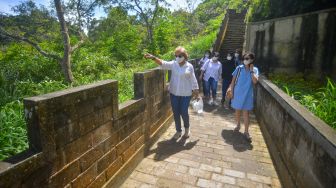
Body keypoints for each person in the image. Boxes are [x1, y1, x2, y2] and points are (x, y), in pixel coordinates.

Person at [144, 46, 200, 139]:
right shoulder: (173, 64)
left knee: (184, 111)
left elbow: (193, 80)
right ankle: (178, 131)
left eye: (180, 55)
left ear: (185, 55)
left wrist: (196, 92)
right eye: (176, 55)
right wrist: (153, 57)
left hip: (186, 94)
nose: (177, 57)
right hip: (174, 93)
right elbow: (163, 63)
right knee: (176, 112)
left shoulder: (189, 66)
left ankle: (187, 128)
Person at [227, 52, 259, 142]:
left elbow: (255, 81)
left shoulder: (255, 69)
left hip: (247, 95)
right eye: (244, 58)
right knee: (237, 111)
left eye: (248, 58)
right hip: (237, 93)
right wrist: (231, 91)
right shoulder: (239, 68)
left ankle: (246, 132)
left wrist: (252, 70)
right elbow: (233, 81)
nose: (245, 60)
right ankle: (237, 124)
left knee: (246, 113)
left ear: (252, 60)